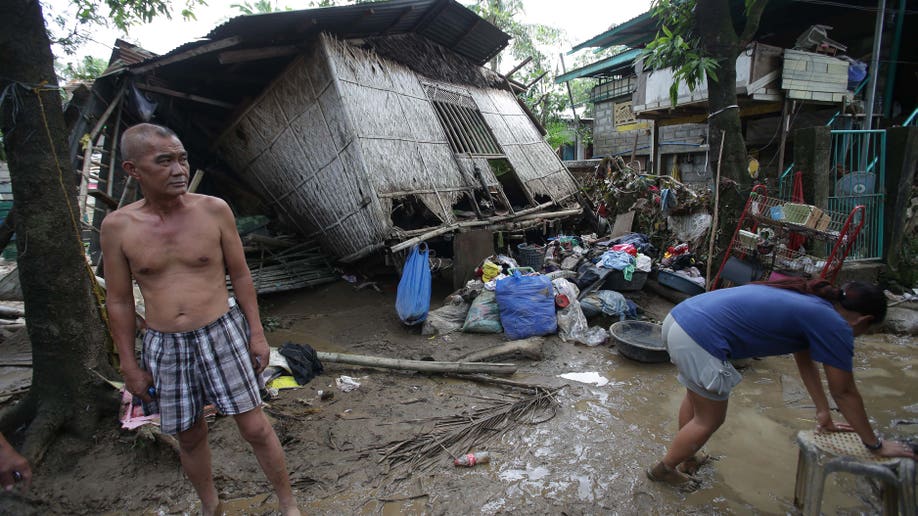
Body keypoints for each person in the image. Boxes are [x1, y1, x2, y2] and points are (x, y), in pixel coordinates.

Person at [100, 123, 300, 515]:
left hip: (222, 331)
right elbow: (120, 301)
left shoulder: (213, 210)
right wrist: (128, 363)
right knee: (190, 436)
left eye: (182, 158)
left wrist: (257, 335)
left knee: (255, 426)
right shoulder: (118, 227)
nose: (179, 169)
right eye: (164, 161)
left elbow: (241, 276)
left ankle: (288, 504)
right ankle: (211, 506)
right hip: (164, 343)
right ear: (132, 169)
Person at [647, 278, 916, 488]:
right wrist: (875, 445)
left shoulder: (814, 302)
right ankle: (664, 470)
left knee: (695, 399)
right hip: (699, 335)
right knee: (710, 419)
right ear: (864, 320)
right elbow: (845, 392)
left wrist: (823, 411)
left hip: (680, 319)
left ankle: (688, 459)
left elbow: (804, 357)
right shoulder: (835, 324)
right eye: (865, 332)